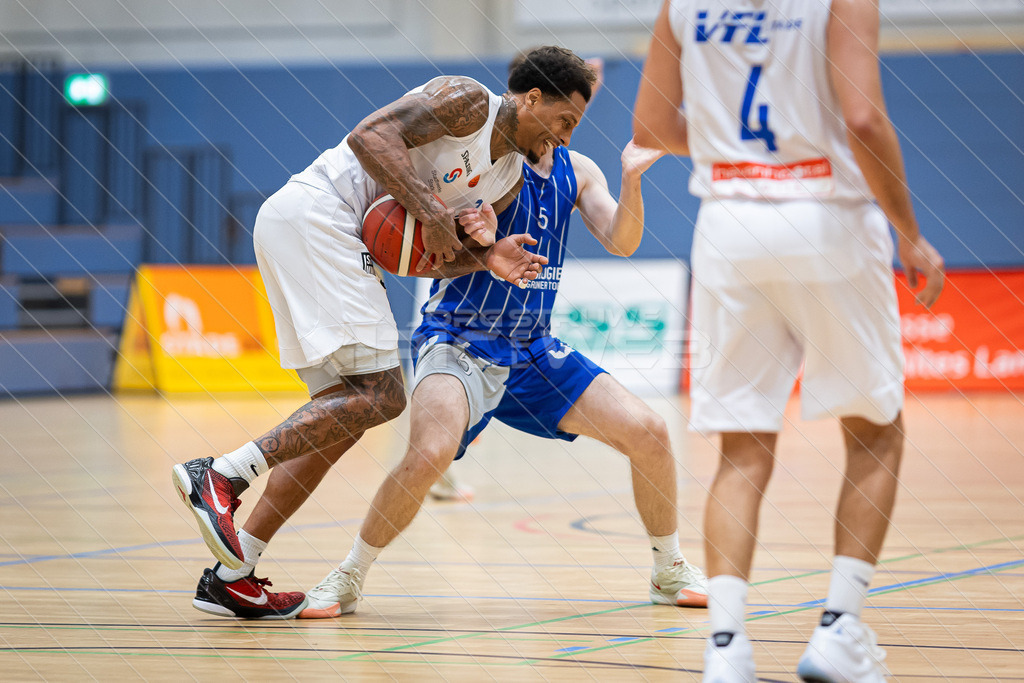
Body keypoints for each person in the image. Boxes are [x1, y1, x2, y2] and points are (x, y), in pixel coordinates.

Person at [172, 46, 595, 619]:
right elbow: (369, 138)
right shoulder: (467, 101)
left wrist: (487, 256)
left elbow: (430, 255)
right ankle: (219, 475)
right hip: (319, 215)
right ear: (532, 98)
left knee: (341, 418)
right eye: (565, 121)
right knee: (383, 394)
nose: (565, 139)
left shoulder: (507, 179)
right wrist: (434, 211)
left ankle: (232, 573)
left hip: (334, 238)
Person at [634, 1, 945, 680]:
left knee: (742, 447)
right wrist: (910, 232)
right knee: (875, 430)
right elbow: (862, 117)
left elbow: (651, 127)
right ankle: (838, 629)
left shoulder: (681, 5)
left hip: (727, 227)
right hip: (825, 216)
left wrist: (728, 149)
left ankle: (726, 647)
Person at [298, 132, 710, 619]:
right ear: (533, 101)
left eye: (577, 115)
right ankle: (349, 575)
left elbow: (623, 241)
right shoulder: (482, 164)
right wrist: (470, 229)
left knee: (651, 431)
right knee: (429, 454)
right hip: (459, 338)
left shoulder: (577, 170)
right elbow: (426, 239)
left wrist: (632, 178)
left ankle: (669, 570)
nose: (569, 125)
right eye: (563, 113)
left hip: (533, 347)